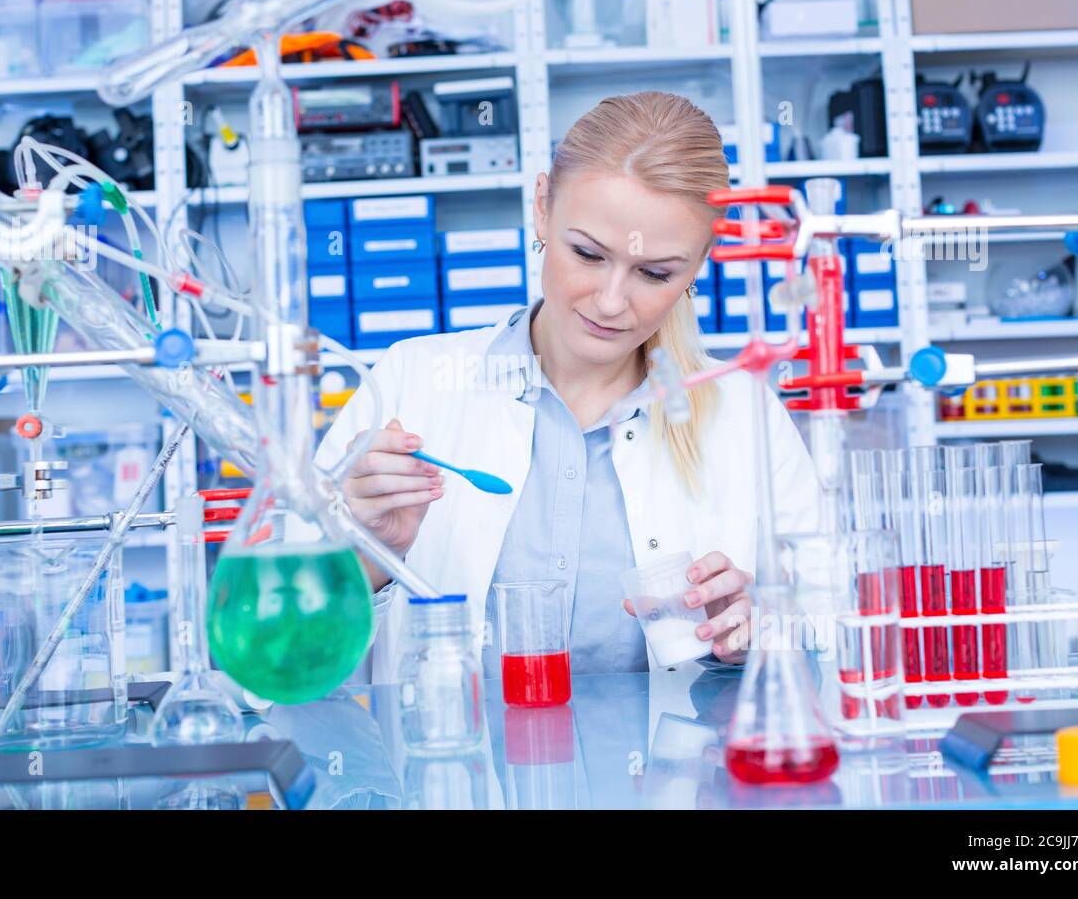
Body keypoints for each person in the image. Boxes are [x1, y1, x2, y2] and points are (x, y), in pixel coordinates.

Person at [315, 90, 818, 685]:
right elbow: (280, 659)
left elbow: (828, 634)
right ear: (542, 208)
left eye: (656, 273)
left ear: (701, 262)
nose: (610, 302)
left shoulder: (744, 415)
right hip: (448, 775)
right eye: (586, 253)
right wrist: (371, 557)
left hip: (680, 776)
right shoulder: (410, 384)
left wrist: (752, 633)